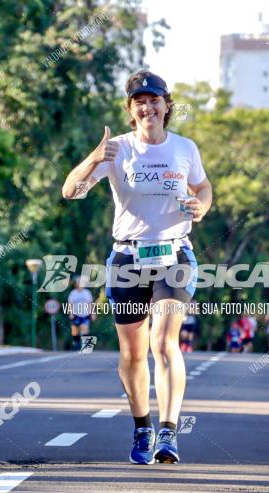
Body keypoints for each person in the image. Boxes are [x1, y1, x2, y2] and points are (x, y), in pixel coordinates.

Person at [62, 70, 212, 465]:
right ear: (131, 111)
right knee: (132, 353)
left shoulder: (185, 148)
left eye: (154, 100)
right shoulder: (117, 150)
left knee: (164, 342)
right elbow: (70, 191)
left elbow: (203, 186)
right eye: (139, 102)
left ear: (166, 106)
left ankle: (169, 432)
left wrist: (203, 206)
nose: (148, 107)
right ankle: (142, 425)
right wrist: (94, 157)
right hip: (128, 258)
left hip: (174, 256)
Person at [68, 276, 95, 351]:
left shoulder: (87, 293)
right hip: (76, 314)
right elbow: (70, 304)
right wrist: (71, 313)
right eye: (78, 282)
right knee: (75, 331)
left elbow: (91, 304)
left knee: (85, 329)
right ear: (76, 284)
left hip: (85, 314)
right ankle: (76, 343)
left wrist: (92, 313)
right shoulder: (73, 293)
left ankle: (86, 347)